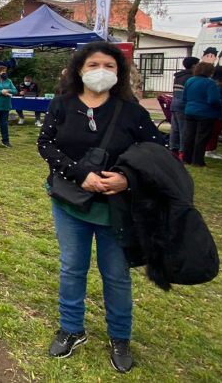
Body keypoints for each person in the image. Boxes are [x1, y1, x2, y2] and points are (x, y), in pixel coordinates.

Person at [38, 41, 163, 373]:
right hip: (70, 203)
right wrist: (81, 174)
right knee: (72, 268)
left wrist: (125, 178)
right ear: (80, 69)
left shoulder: (132, 112)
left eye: (109, 65)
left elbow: (157, 152)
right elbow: (46, 144)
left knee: (116, 275)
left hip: (117, 208)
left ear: (118, 72)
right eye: (93, 65)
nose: (101, 71)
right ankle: (71, 328)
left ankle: (120, 337)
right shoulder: (62, 105)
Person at [181, 62, 222, 167]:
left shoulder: (190, 81)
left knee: (189, 136)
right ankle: (197, 161)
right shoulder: (210, 83)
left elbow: (184, 97)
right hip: (206, 113)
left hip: (190, 111)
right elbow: (213, 99)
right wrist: (220, 106)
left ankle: (186, 158)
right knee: (201, 137)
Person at [169, 57, 200, 160]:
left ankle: (173, 149)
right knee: (184, 130)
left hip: (174, 104)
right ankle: (183, 151)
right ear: (193, 65)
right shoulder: (191, 78)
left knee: (175, 129)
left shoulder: (178, 76)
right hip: (183, 105)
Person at [204, 66, 222, 160]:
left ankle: (213, 149)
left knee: (217, 131)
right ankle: (209, 150)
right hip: (219, 109)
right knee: (214, 131)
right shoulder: (218, 84)